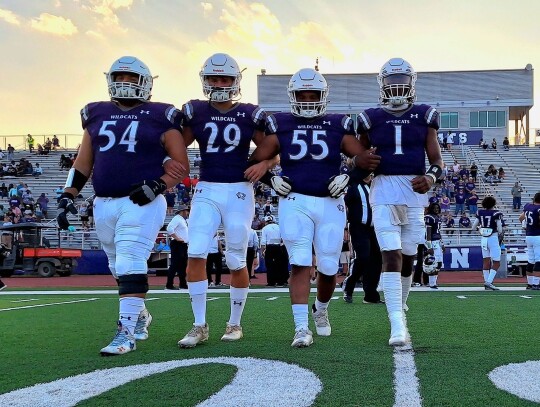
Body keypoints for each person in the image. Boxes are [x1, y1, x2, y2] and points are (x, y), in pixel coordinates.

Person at [56, 55, 189, 356]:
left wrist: (157, 185)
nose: (125, 84)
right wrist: (68, 195)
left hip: (142, 201)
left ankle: (125, 332)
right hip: (104, 202)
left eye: (132, 78)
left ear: (146, 83)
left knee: (130, 259)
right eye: (120, 77)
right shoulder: (96, 113)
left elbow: (181, 164)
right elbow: (82, 163)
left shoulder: (162, 115)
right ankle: (140, 314)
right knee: (117, 265)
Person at [247, 67, 379, 348]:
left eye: (313, 94)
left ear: (323, 96)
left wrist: (349, 176)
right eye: (302, 94)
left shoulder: (337, 124)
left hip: (330, 202)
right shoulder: (280, 123)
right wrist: (271, 180)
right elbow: (254, 159)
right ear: (292, 96)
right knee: (300, 263)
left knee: (330, 267)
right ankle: (299, 328)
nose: (307, 99)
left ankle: (320, 308)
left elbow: (366, 158)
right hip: (295, 201)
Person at [177, 53, 272, 348]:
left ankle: (234, 323)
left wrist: (265, 165)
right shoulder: (195, 111)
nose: (219, 84)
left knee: (235, 257)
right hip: (207, 187)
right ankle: (199, 324)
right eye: (214, 79)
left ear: (235, 81)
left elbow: (274, 146)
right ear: (205, 80)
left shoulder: (249, 113)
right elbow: (174, 142)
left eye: (225, 79)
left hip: (239, 190)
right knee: (195, 250)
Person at [356, 57, 443, 346]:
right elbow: (356, 155)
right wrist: (359, 160)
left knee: (408, 257)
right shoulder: (370, 117)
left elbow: (437, 160)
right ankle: (396, 322)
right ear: (382, 84)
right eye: (391, 82)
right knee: (390, 254)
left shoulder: (425, 115)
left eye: (401, 81)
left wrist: (431, 178)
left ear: (411, 83)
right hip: (383, 189)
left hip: (414, 191)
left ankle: (401, 305)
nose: (396, 87)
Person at [343, 168, 383, 304]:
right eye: (367, 173)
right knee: (364, 257)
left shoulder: (373, 188)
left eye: (371, 174)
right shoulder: (354, 187)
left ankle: (371, 295)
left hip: (373, 228)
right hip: (358, 227)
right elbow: (343, 204)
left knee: (377, 259)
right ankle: (349, 285)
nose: (369, 176)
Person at [471, 196, 503, 290]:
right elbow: (500, 229)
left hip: (483, 238)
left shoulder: (480, 212)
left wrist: (481, 229)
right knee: (496, 262)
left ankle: (487, 282)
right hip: (493, 237)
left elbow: (473, 227)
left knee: (486, 260)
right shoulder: (496, 213)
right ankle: (488, 282)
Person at [165, 204, 189, 290]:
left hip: (183, 244)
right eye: (186, 211)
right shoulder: (177, 219)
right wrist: (177, 238)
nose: (187, 213)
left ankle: (183, 283)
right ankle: (169, 284)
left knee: (183, 265)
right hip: (177, 244)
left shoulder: (182, 220)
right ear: (182, 211)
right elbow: (169, 228)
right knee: (175, 264)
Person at [519, 193, 540, 289]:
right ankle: (536, 284)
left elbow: (521, 218)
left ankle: (529, 283)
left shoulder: (528, 206)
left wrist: (526, 226)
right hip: (537, 236)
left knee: (531, 260)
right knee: (538, 260)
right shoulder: (538, 209)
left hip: (529, 236)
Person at [260, 215, 284, 287]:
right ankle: (280, 282)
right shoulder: (279, 227)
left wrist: (262, 250)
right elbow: (283, 238)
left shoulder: (265, 228)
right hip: (278, 246)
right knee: (279, 264)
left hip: (270, 247)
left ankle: (271, 282)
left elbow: (263, 241)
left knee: (269, 265)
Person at [424, 202, 444, 289]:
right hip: (432, 242)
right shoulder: (429, 217)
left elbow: (438, 232)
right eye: (435, 208)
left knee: (439, 263)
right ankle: (431, 283)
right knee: (432, 263)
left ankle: (434, 282)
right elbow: (428, 233)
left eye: (437, 208)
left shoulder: (437, 217)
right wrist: (429, 246)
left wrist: (442, 244)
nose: (436, 209)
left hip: (438, 241)